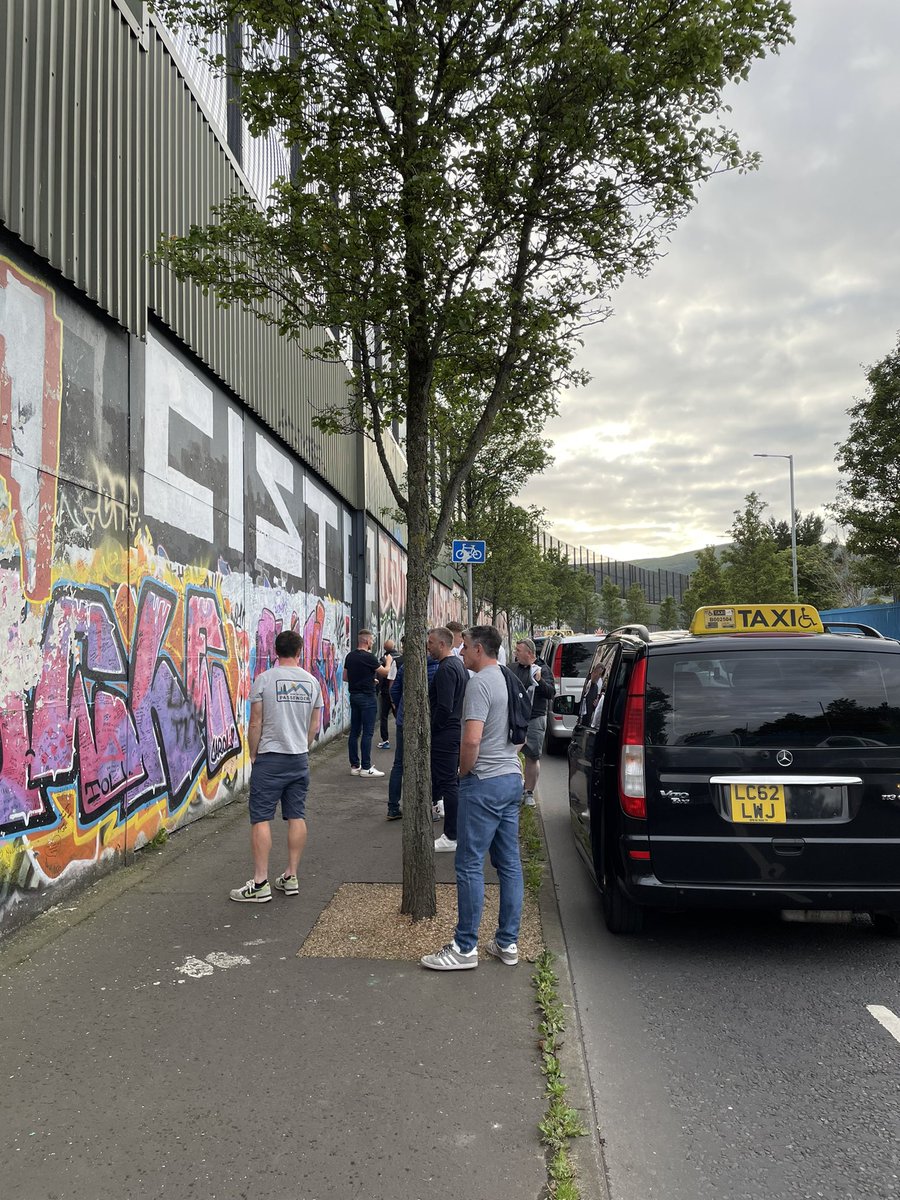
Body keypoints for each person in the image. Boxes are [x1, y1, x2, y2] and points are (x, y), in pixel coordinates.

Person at [421, 625, 523, 971]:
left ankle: (465, 948)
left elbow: (472, 740)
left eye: (465, 648)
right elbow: (521, 730)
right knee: (509, 865)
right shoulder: (510, 678)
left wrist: (463, 774)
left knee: (468, 863)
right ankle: (507, 942)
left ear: (479, 649)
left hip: (484, 782)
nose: (462, 653)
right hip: (511, 778)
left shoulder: (479, 683)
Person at [230, 629, 323, 903]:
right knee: (297, 815)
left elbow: (256, 721)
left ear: (275, 651)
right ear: (300, 651)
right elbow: (314, 724)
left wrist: (254, 753)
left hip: (270, 757)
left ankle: (260, 883)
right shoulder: (312, 682)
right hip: (298, 757)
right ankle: (291, 876)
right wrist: (302, 746)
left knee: (261, 817)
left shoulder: (264, 680)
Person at [427, 627, 469, 851]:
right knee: (451, 782)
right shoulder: (457, 666)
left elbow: (444, 706)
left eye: (431, 642)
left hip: (446, 733)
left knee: (448, 783)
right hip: (453, 731)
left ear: (443, 644)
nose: (428, 646)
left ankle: (451, 836)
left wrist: (431, 730)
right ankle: (454, 833)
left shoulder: (446, 669)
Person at [387, 650, 440, 821]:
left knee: (399, 764)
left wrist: (399, 709)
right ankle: (429, 806)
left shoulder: (407, 666)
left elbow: (394, 690)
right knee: (429, 762)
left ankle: (393, 806)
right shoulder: (439, 667)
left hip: (405, 720)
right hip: (428, 722)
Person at [511, 637, 556, 807]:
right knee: (510, 754)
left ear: (529, 653)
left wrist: (540, 680)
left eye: (518, 651)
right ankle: (513, 788)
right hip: (516, 718)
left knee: (532, 756)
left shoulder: (543, 669)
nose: (516, 654)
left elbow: (551, 693)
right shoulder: (513, 668)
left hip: (535, 718)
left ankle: (529, 792)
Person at [344, 629, 390, 778]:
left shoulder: (350, 656)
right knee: (368, 733)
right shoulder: (370, 657)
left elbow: (346, 677)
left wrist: (368, 679)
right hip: (368, 698)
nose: (372, 643)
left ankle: (354, 765)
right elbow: (385, 673)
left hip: (354, 696)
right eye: (371, 640)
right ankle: (366, 767)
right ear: (366, 641)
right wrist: (388, 662)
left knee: (355, 731)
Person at [377, 637, 400, 749]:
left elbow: (380, 675)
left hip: (386, 691)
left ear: (385, 648)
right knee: (398, 715)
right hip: (397, 692)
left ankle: (385, 740)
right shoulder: (400, 658)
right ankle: (402, 737)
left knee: (384, 716)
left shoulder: (384, 659)